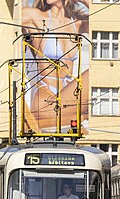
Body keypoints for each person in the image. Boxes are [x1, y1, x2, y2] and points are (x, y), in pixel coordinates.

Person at [21, 0, 90, 133]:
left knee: (107, 69)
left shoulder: (77, 23)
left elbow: (108, 22)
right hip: (47, 103)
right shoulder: (36, 17)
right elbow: (6, 16)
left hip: (68, 99)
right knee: (96, 73)